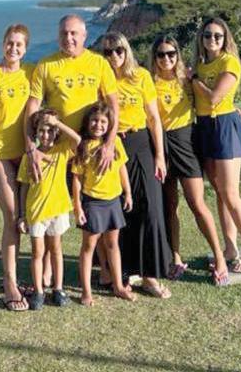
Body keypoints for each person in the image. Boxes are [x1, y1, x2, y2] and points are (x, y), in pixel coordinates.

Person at [150, 35, 228, 285]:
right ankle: (175, 257)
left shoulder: (188, 77)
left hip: (186, 141)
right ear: (154, 57)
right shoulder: (148, 81)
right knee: (168, 205)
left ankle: (220, 256)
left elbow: (211, 99)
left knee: (197, 203)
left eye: (171, 54)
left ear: (178, 55)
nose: (166, 59)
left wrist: (232, 108)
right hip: (160, 145)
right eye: (161, 54)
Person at [101, 31, 172, 298]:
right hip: (114, 145)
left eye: (118, 50)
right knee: (120, 210)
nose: (114, 56)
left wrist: (160, 155)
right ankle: (124, 270)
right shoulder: (102, 78)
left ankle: (151, 274)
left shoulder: (141, 76)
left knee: (151, 208)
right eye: (108, 52)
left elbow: (154, 118)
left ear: (127, 50)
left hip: (141, 142)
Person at [192, 17, 241, 272]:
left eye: (217, 36)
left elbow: (215, 97)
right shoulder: (200, 64)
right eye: (207, 35)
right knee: (219, 192)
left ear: (225, 38)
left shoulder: (229, 62)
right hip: (205, 126)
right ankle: (230, 247)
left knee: (231, 193)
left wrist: (194, 80)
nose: (212, 40)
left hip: (224, 127)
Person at [24, 14, 119, 181]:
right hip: (58, 148)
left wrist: (109, 144)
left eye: (73, 33)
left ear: (84, 35)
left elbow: (113, 106)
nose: (68, 38)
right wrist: (31, 146)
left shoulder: (99, 63)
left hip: (91, 147)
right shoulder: (46, 65)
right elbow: (32, 107)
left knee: (91, 202)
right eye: (64, 33)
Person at [0, 24, 33, 311]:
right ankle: (10, 282)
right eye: (9, 43)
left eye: (19, 45)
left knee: (30, 215)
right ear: (3, 44)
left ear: (25, 48)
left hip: (27, 153)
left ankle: (40, 275)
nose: (13, 48)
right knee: (13, 216)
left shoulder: (32, 73)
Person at [72, 103, 137, 306]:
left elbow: (121, 169)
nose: (98, 125)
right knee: (88, 246)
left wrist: (127, 193)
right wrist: (78, 205)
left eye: (103, 121)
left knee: (112, 245)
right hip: (92, 202)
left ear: (109, 124)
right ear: (87, 123)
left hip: (113, 201)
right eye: (94, 120)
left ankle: (118, 286)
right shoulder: (82, 145)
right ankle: (86, 292)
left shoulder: (115, 142)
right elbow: (76, 178)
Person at [16, 109, 81, 311]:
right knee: (37, 252)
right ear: (36, 132)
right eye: (42, 130)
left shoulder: (62, 151)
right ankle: (38, 291)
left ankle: (58, 289)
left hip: (58, 209)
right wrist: (21, 215)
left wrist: (57, 123)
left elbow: (78, 140)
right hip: (35, 212)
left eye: (50, 130)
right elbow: (24, 186)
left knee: (56, 250)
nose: (46, 135)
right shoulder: (30, 156)